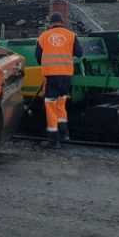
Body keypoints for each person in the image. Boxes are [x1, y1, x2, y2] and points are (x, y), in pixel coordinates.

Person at [35, 12, 83, 148]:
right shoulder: (71, 35)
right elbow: (79, 53)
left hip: (51, 76)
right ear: (62, 22)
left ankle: (53, 140)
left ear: (50, 23)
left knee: (50, 106)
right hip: (66, 76)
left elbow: (38, 56)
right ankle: (65, 135)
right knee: (61, 105)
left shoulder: (43, 36)